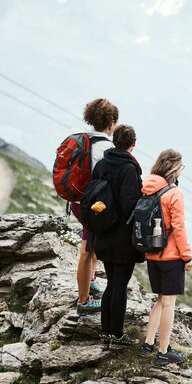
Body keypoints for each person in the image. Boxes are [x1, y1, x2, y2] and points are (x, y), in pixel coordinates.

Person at [91, 124, 143, 346]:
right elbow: (129, 204)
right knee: (119, 285)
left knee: (112, 283)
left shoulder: (102, 164)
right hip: (122, 237)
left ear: (114, 141)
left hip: (103, 232)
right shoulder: (129, 169)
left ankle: (106, 332)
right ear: (133, 144)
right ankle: (117, 335)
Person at [140, 149, 192, 365]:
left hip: (152, 253)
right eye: (181, 167)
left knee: (160, 300)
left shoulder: (147, 187)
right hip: (170, 256)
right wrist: (186, 256)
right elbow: (179, 227)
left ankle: (148, 343)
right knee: (169, 303)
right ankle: (163, 352)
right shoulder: (173, 193)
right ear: (174, 168)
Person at [70, 98, 118, 315]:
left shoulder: (81, 138)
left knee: (93, 243)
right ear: (112, 122)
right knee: (86, 251)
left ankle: (90, 280)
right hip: (93, 206)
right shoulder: (107, 147)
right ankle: (83, 301)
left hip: (76, 201)